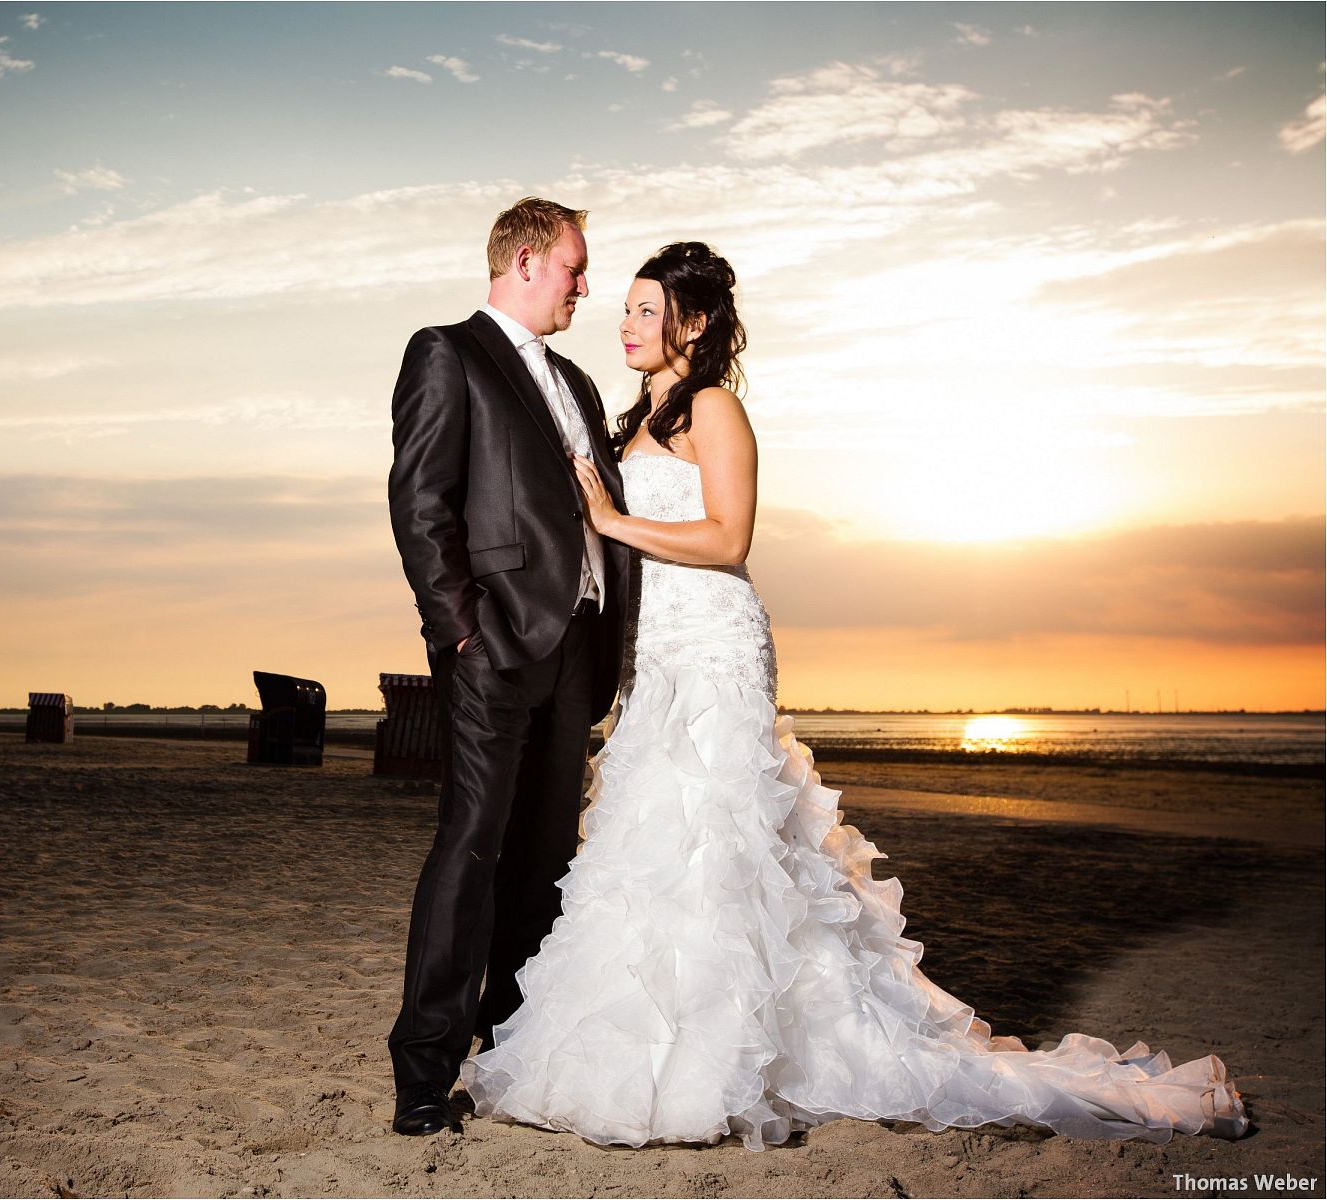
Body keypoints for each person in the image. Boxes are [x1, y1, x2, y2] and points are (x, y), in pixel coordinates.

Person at [456, 241, 1250, 1150]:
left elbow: (726, 540)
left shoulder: (717, 409)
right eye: (625, 309)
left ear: (697, 322)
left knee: (717, 838)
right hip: (656, 649)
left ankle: (727, 1058)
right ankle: (645, 1042)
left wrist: (608, 518)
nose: (626, 323)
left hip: (715, 641)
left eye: (645, 309)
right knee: (649, 837)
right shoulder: (640, 415)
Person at [384, 197, 632, 1137]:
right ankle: (422, 1073)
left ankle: (514, 1048)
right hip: (494, 646)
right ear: (525, 260)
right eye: (575, 266)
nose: (583, 283)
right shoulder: (446, 352)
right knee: (471, 849)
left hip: (575, 651)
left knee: (543, 859)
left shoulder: (572, 377)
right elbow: (420, 499)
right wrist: (460, 633)